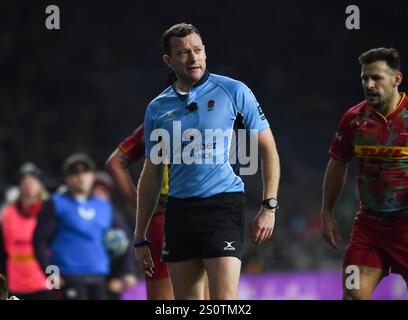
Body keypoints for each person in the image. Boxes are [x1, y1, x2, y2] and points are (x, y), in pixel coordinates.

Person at [133, 23, 280, 300]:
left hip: (222, 206)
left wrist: (269, 205)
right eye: (183, 53)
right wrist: (140, 236)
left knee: (224, 301)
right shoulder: (157, 108)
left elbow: (268, 148)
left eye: (197, 50)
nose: (193, 58)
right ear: (168, 61)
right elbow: (151, 174)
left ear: (205, 52)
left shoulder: (234, 91)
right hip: (178, 212)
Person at [321, 47, 408, 300]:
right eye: (364, 78)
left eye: (376, 78)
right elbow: (337, 163)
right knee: (353, 294)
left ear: (396, 79)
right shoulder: (353, 119)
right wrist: (327, 211)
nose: (369, 84)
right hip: (370, 228)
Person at [106, 124, 174, 300]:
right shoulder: (210, 114)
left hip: (163, 216)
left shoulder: (158, 118)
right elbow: (115, 164)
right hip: (198, 212)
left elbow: (115, 162)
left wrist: (143, 207)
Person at [33, 153, 115, 300]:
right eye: (75, 173)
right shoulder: (55, 204)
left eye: (85, 172)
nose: (81, 177)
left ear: (93, 176)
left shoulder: (104, 206)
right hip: (69, 277)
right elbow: (39, 240)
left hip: (100, 276)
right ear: (67, 179)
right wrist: (50, 272)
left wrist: (126, 272)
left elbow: (124, 239)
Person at [0, 162, 54, 300]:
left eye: (32, 180)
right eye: (24, 181)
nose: (28, 184)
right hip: (16, 279)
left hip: (44, 278)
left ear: (39, 184)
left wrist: (56, 278)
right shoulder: (8, 213)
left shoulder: (49, 210)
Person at [92, 172, 137, 300]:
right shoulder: (78, 211)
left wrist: (126, 272)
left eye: (104, 190)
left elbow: (126, 243)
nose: (99, 194)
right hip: (83, 275)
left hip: (109, 277)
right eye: (95, 189)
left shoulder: (112, 214)